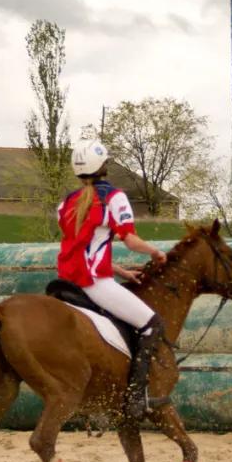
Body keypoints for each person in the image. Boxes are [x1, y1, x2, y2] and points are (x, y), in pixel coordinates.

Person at [57, 139, 168, 419]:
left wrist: (120, 271)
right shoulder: (113, 197)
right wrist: (155, 252)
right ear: (104, 167)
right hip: (93, 284)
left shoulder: (66, 202)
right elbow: (129, 240)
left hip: (66, 281)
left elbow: (83, 246)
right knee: (152, 325)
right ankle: (136, 399)